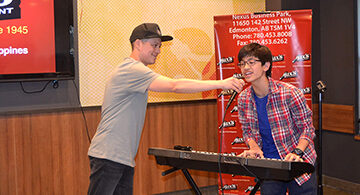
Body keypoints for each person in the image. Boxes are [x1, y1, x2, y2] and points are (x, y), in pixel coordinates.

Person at [87, 23, 245, 195]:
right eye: (154, 45)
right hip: (109, 155)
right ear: (138, 44)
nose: (158, 50)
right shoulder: (132, 69)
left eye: (159, 46)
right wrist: (221, 83)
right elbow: (175, 85)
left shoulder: (133, 71)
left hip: (120, 157)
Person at [237, 43, 317, 195]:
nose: (245, 67)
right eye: (242, 63)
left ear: (266, 65)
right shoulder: (243, 98)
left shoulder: (290, 93)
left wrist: (297, 152)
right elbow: (247, 130)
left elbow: (307, 128)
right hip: (269, 164)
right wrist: (253, 147)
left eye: (251, 62)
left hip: (298, 160)